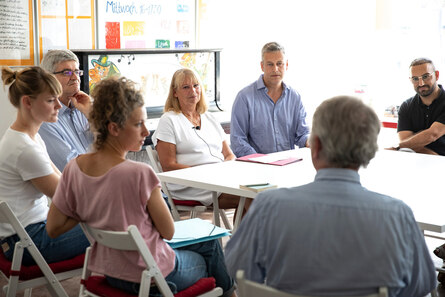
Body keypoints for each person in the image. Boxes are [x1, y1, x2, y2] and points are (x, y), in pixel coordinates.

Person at [225, 95, 436, 296]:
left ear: (315, 146)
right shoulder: (397, 216)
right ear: (369, 153)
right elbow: (421, 286)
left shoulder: (268, 206)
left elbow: (236, 268)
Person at [46, 76, 236, 297]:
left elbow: (54, 227)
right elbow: (168, 231)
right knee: (211, 246)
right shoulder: (139, 173)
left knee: (203, 243)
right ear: (114, 128)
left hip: (109, 272)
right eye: (138, 124)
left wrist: (93, 208)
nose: (147, 132)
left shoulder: (73, 169)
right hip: (151, 277)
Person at [0, 66, 89, 265]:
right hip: (29, 242)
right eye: (50, 100)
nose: (58, 105)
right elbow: (68, 198)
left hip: (28, 234)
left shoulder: (28, 138)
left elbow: (64, 181)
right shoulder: (24, 148)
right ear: (27, 102)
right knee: (119, 222)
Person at [152, 68, 250, 213]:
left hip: (218, 180)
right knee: (249, 197)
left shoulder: (209, 117)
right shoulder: (169, 120)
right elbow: (168, 165)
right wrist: (203, 174)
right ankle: (243, 236)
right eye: (186, 87)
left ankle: (242, 235)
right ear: (175, 93)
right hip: (189, 186)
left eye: (196, 85)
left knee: (260, 192)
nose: (193, 91)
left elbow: (229, 155)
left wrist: (225, 170)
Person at [230, 41, 310, 157]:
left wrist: (310, 142)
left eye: (279, 63)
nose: (275, 69)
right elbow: (238, 141)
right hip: (256, 167)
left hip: (289, 164)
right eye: (270, 64)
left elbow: (303, 134)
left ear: (286, 65)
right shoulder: (244, 98)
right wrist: (262, 160)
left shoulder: (295, 97)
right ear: (262, 66)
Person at [39, 49, 94, 171]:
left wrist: (92, 114)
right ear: (48, 78)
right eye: (67, 72)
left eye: (77, 72)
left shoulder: (83, 107)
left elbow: (112, 144)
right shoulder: (44, 119)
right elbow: (70, 165)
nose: (75, 78)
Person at [389, 57, 445, 155]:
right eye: (415, 79)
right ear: (410, 80)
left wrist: (396, 147)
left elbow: (433, 134)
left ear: (436, 75)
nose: (421, 83)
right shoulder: (406, 106)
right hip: (418, 164)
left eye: (426, 76)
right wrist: (434, 159)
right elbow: (406, 143)